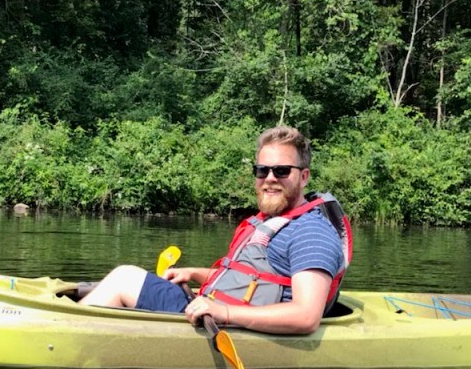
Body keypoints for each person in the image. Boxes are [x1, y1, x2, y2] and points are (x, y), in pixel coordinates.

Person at [80, 126, 351, 335]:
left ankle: (73, 341)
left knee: (124, 279)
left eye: (281, 171)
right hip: (210, 310)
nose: (269, 178)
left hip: (225, 325)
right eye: (262, 170)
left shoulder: (311, 233)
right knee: (115, 280)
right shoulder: (272, 221)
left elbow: (306, 316)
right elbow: (250, 280)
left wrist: (225, 313)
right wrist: (194, 273)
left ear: (303, 177)